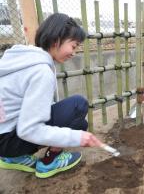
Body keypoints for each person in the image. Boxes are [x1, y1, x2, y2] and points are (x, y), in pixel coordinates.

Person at [0, 13, 103, 178]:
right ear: (57, 40)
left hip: (4, 133)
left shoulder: (21, 58)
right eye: (74, 46)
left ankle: (14, 158)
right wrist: (77, 137)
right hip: (9, 140)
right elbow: (29, 130)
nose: (74, 53)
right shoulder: (40, 71)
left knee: (78, 123)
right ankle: (49, 163)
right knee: (78, 106)